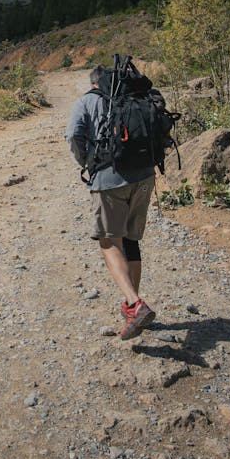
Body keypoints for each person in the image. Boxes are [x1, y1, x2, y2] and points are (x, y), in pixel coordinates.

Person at [66, 65, 157, 340]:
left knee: (108, 240)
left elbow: (73, 135)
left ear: (94, 83)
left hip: (109, 179)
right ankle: (133, 307)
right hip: (144, 176)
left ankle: (134, 303)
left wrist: (87, 163)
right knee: (130, 240)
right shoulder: (134, 98)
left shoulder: (87, 101)